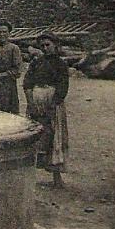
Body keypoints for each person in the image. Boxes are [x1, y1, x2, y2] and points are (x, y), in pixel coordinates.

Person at [24, 32, 70, 188]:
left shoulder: (61, 65)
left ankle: (57, 178)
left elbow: (63, 87)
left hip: (53, 103)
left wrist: (52, 105)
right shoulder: (36, 62)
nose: (45, 48)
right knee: (34, 137)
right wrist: (31, 103)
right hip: (36, 101)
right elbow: (27, 83)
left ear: (55, 45)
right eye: (42, 46)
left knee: (55, 137)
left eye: (48, 45)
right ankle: (30, 178)